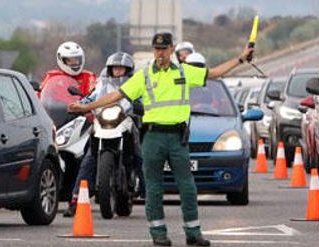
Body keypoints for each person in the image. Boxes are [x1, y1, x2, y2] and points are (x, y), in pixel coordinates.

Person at [69, 32, 254, 247]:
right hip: (153, 137)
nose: (160, 53)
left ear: (172, 49)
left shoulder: (185, 71)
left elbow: (214, 73)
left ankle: (193, 232)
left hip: (177, 138)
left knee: (187, 186)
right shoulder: (144, 75)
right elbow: (116, 96)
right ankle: (158, 233)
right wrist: (86, 106)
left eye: (164, 48)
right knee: (154, 187)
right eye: (157, 49)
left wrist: (241, 59)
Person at [63, 51, 138, 217]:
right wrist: (78, 105)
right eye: (115, 68)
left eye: (122, 68)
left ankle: (148, 191)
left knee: (140, 155)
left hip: (125, 122)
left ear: (128, 70)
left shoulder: (134, 83)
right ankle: (76, 199)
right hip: (102, 124)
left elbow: (142, 101)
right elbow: (90, 98)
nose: (118, 71)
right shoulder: (102, 84)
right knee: (88, 159)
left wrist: (141, 108)